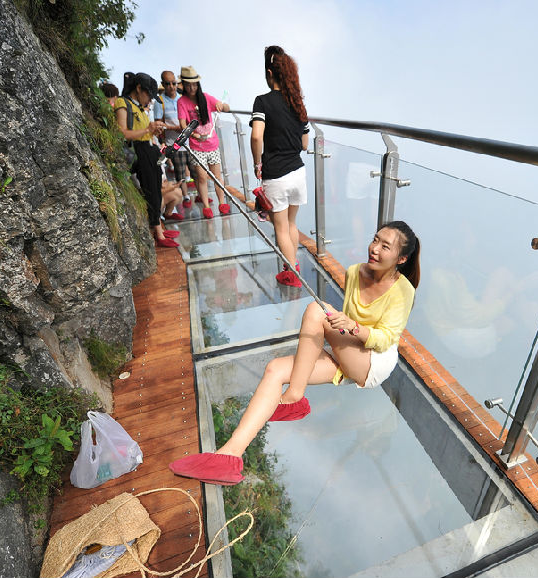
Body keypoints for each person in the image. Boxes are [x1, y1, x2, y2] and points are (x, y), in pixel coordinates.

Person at [169, 221, 421, 485]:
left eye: (385, 246)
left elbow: (385, 339)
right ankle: (229, 456)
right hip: (350, 347)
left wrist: (352, 327)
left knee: (316, 310)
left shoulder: (403, 291)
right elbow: (348, 320)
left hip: (374, 361)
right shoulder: (355, 272)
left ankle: (294, 397)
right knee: (275, 369)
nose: (374, 248)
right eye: (375, 239)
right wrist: (345, 326)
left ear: (401, 259)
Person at [249, 46, 310, 287]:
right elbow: (305, 144)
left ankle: (292, 274)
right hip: (298, 171)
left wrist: (257, 163)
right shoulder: (297, 103)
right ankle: (292, 267)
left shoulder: (262, 101)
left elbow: (256, 136)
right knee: (291, 224)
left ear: (269, 73)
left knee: (281, 228)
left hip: (276, 174)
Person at [114, 72, 178, 248]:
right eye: (148, 94)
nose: (150, 100)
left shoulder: (140, 107)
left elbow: (145, 131)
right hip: (138, 151)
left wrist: (153, 130)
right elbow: (122, 133)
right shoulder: (123, 103)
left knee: (156, 189)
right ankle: (158, 233)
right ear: (138, 88)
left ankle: (158, 229)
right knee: (150, 191)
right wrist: (147, 130)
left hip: (149, 149)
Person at [177, 66, 231, 219]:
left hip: (212, 144)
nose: (192, 88)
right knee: (201, 177)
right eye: (188, 85)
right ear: (184, 85)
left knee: (217, 176)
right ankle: (206, 206)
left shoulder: (206, 97)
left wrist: (221, 105)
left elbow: (226, 107)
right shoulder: (182, 102)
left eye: (194, 84)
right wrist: (194, 135)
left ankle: (222, 203)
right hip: (196, 146)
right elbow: (182, 124)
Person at [155, 70, 191, 218]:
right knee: (180, 172)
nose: (171, 86)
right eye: (168, 84)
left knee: (195, 171)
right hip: (173, 143)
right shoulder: (160, 102)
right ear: (163, 84)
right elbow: (158, 124)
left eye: (174, 83)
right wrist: (174, 129)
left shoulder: (182, 99)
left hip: (189, 141)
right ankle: (186, 197)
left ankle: (195, 197)